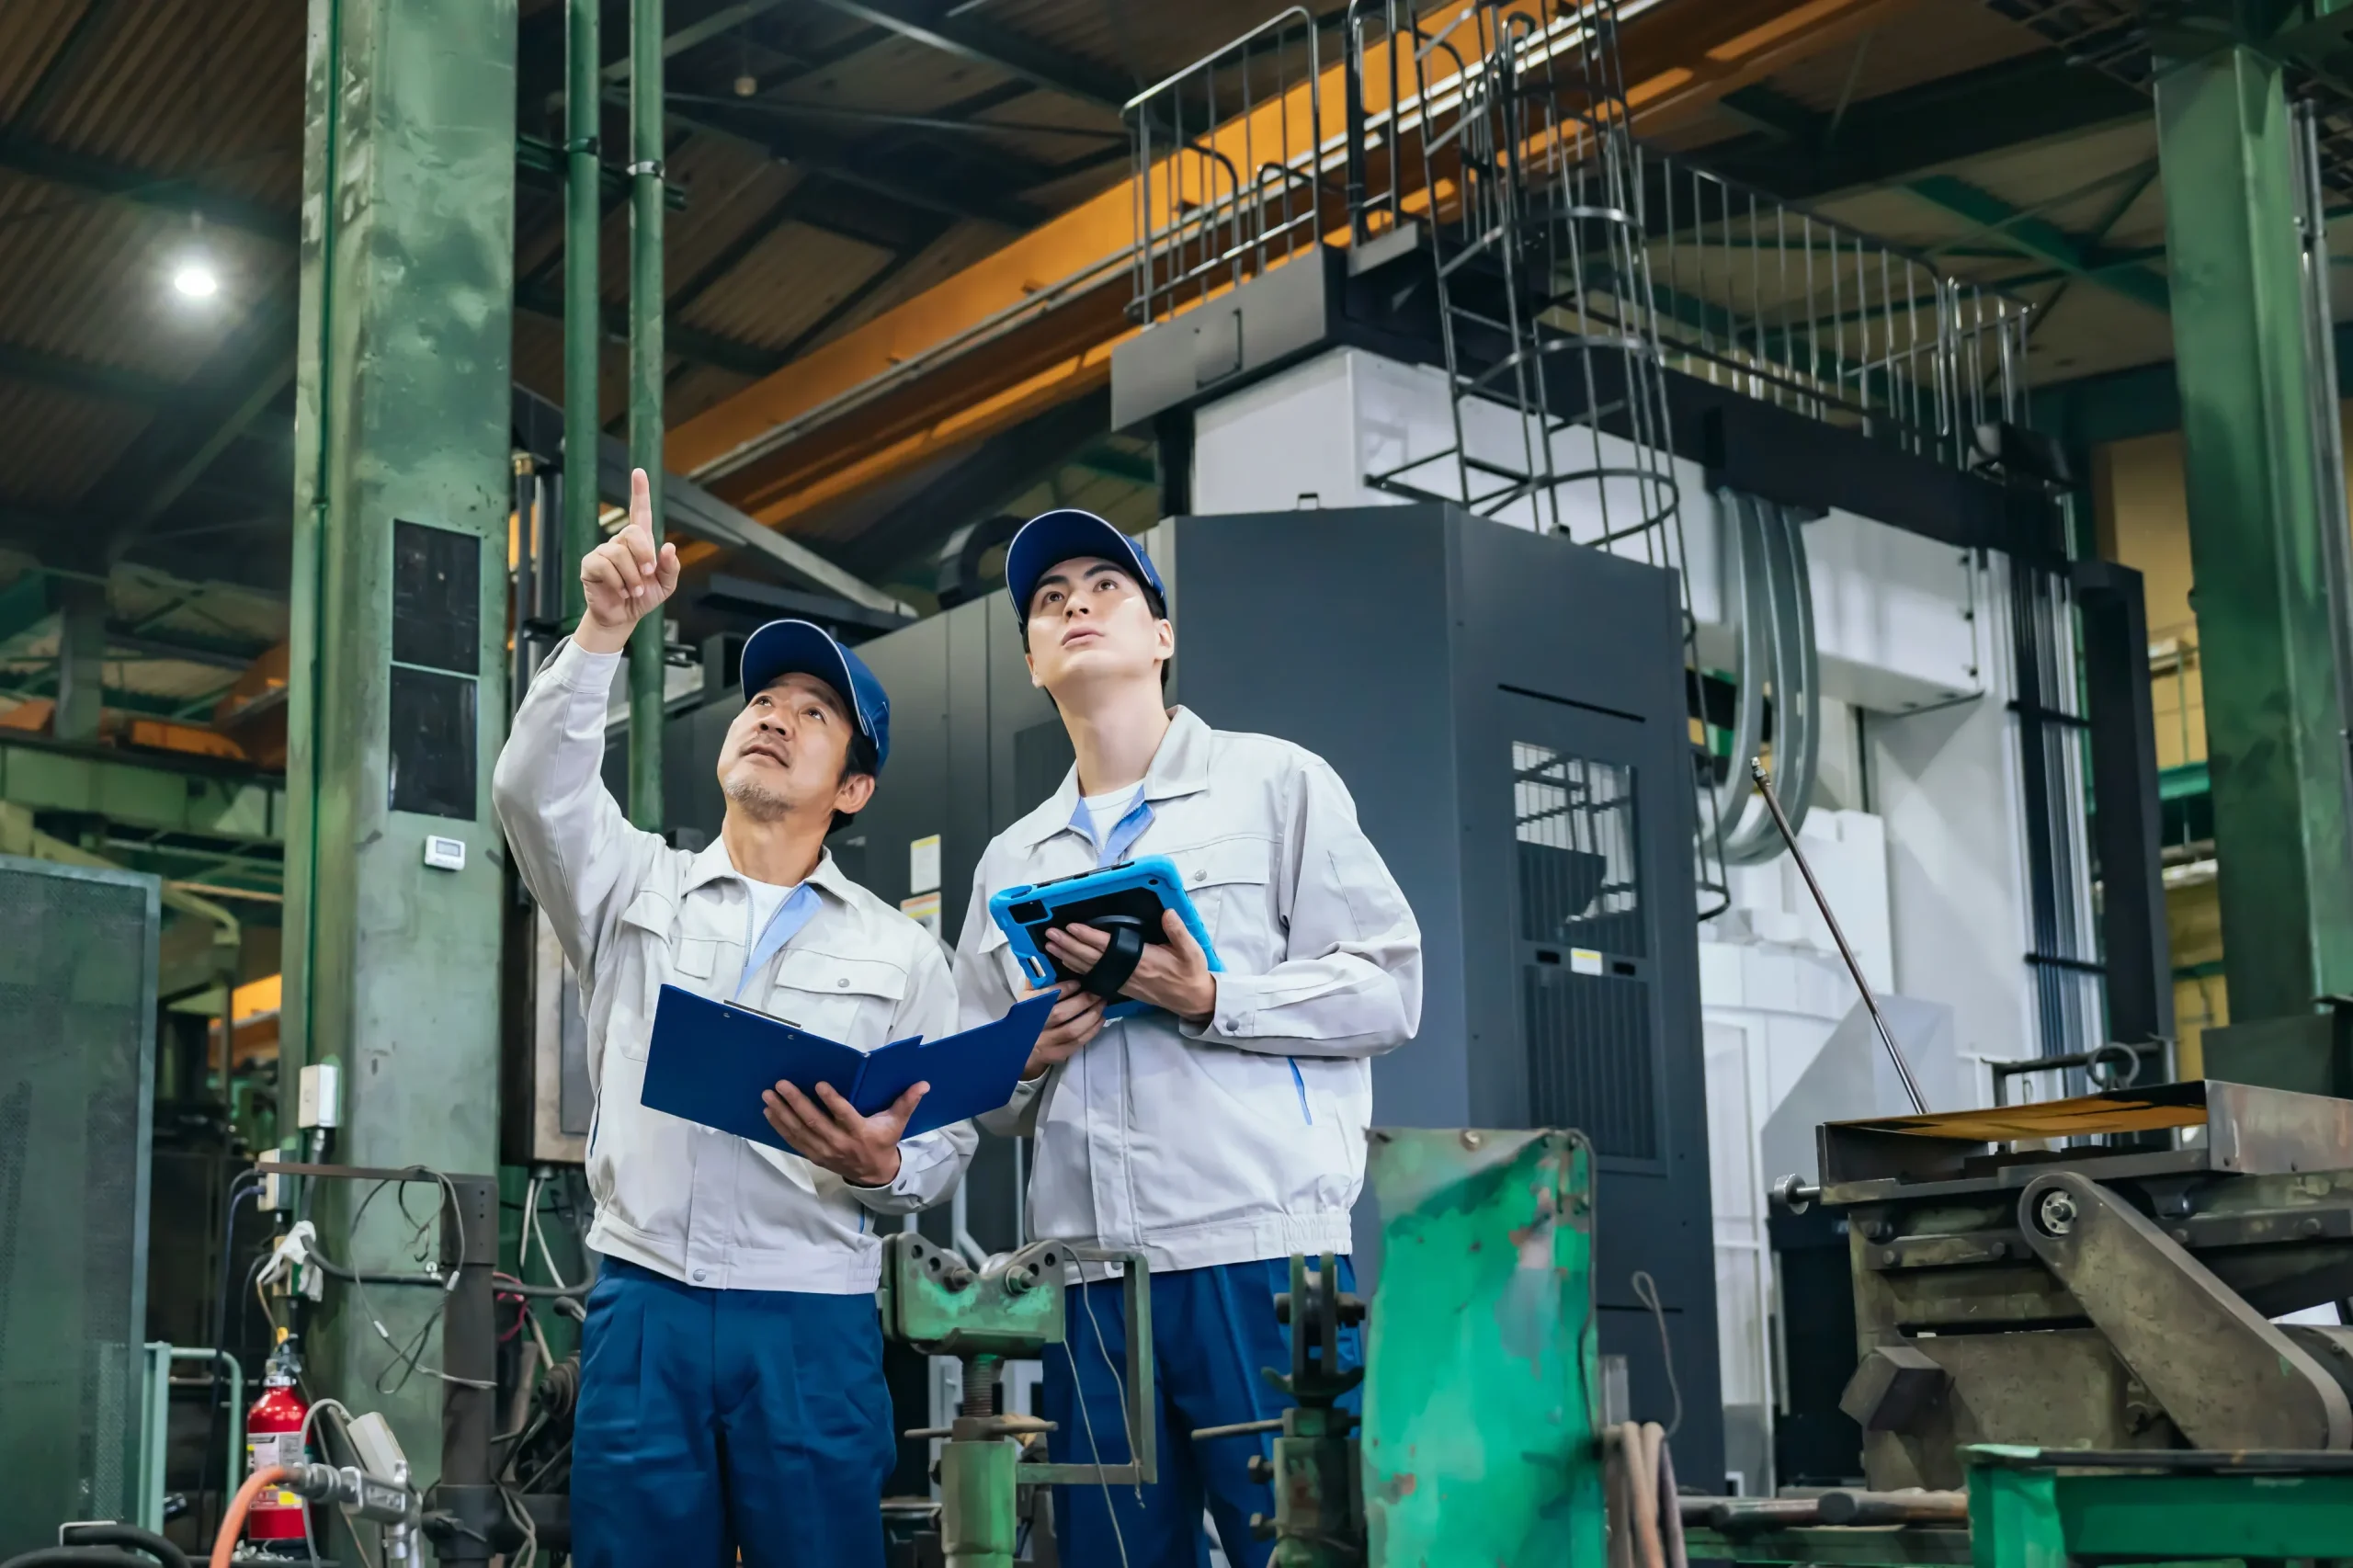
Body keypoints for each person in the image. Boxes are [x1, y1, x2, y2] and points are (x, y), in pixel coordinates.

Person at [493, 470, 964, 1568]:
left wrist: (883, 1163)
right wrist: (603, 631)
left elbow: (942, 1141)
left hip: (808, 1318)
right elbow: (530, 789)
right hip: (644, 1306)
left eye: (814, 714)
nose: (773, 717)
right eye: (764, 701)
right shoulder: (630, 884)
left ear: (853, 788)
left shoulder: (901, 951)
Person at [953, 508, 1423, 1568]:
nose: (1074, 604)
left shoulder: (1275, 785)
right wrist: (1028, 1053)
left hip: (1257, 1256)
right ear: (1032, 661)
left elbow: (1388, 990)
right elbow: (982, 1090)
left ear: (1161, 635)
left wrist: (1210, 995)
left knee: (1304, 1549)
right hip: (1087, 1281)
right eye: (1048, 600)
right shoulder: (1011, 861)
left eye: (1104, 587)